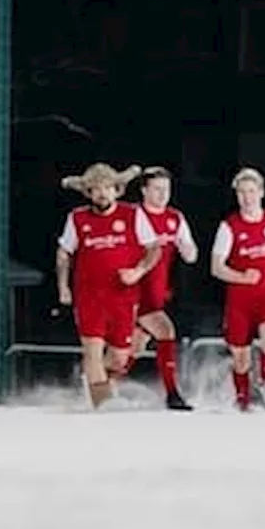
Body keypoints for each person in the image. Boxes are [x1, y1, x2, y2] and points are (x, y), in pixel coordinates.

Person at [55, 163, 161, 408]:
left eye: (107, 188)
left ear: (117, 190)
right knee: (92, 350)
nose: (102, 193)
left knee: (119, 357)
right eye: (95, 189)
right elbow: (64, 253)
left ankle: (96, 381)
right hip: (89, 296)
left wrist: (138, 271)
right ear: (88, 193)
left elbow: (153, 248)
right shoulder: (78, 218)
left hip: (123, 297)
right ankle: (101, 405)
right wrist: (63, 286)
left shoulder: (133, 214)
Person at [210, 167, 265, 411]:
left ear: (261, 192)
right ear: (236, 195)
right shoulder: (229, 227)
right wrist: (241, 276)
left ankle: (264, 382)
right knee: (241, 357)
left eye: (251, 191)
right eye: (241, 193)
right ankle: (242, 401)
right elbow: (216, 267)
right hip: (239, 300)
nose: (247, 197)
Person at [126, 167, 197, 410]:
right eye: (156, 189)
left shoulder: (175, 218)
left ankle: (97, 388)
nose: (162, 194)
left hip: (157, 292)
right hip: (132, 291)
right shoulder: (132, 215)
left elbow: (190, 252)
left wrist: (189, 251)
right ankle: (172, 394)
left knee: (134, 347)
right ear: (144, 190)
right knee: (166, 332)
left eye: (166, 189)